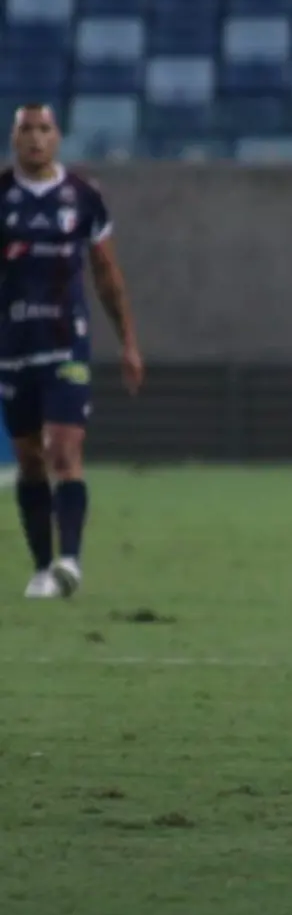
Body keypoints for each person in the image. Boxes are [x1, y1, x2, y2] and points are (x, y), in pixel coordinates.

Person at [1, 104, 144, 599]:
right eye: (26, 130)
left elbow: (106, 273)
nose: (36, 139)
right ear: (14, 138)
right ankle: (43, 567)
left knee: (63, 449)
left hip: (67, 343)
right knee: (29, 458)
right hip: (13, 345)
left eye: (44, 129)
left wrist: (128, 342)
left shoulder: (83, 196)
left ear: (58, 136)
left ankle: (70, 560)